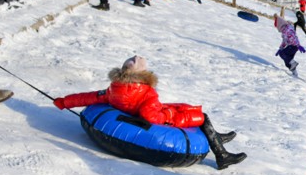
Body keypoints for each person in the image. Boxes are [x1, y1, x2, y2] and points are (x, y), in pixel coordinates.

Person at [53, 55, 244, 169]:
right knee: (200, 116)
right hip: (158, 117)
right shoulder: (147, 94)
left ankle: (216, 137)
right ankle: (221, 155)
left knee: (186, 105)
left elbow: (89, 97)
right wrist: (172, 117)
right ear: (143, 75)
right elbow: (151, 116)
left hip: (136, 111)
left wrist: (64, 101)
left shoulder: (113, 91)